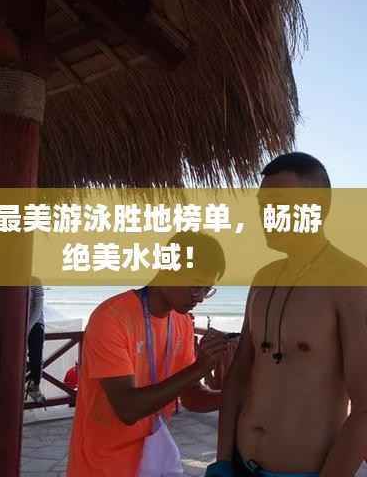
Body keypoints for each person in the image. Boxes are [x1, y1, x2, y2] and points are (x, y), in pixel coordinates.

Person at [207, 153, 367, 476]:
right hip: (240, 463)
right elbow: (239, 375)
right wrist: (223, 460)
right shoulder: (263, 278)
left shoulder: (349, 282)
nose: (267, 215)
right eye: (263, 205)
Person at [67, 232, 230, 477]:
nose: (199, 297)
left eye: (207, 289)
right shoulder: (111, 317)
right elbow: (128, 408)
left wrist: (237, 395)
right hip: (102, 466)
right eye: (196, 285)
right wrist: (200, 367)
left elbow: (191, 397)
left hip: (153, 460)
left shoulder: (182, 321)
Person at [26, 276, 48, 404]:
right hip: (15, 325)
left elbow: (37, 309)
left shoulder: (35, 281)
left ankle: (35, 385)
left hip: (35, 323)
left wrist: (27, 329)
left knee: (36, 355)